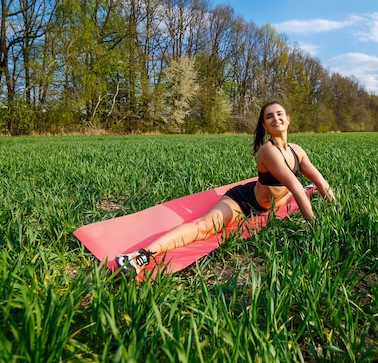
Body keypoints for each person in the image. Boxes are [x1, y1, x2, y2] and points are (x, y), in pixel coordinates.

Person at [115, 101, 335, 280]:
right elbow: (294, 187)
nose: (276, 118)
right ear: (264, 125)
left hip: (277, 199)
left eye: (279, 114)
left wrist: (336, 210)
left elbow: (320, 179)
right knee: (203, 228)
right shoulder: (268, 151)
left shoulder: (297, 151)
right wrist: (315, 228)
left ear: (288, 119)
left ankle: (309, 193)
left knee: (301, 190)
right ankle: (140, 256)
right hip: (245, 202)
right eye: (269, 116)